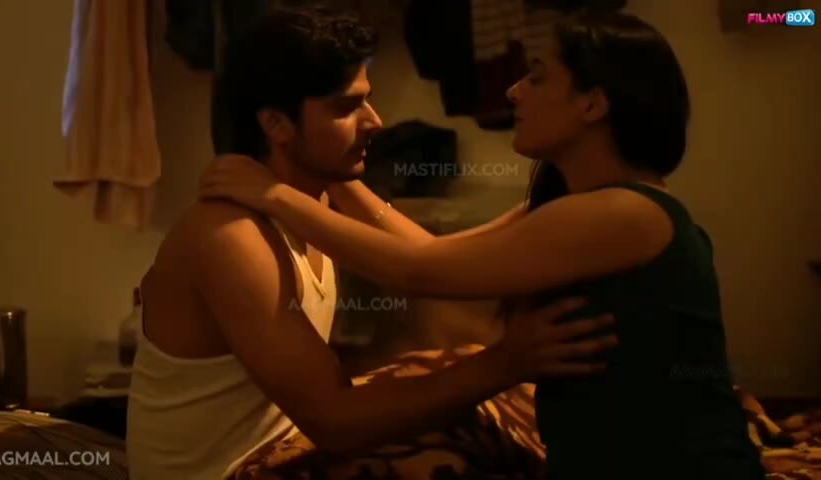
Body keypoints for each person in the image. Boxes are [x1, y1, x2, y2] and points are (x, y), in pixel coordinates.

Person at [199, 9, 767, 480]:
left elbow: (418, 271)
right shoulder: (575, 205)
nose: (514, 90)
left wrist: (275, 193)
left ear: (592, 104)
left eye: (537, 77)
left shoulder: (624, 214)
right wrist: (338, 175)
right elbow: (431, 253)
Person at [126, 6, 617, 480]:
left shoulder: (312, 199)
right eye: (347, 107)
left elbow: (430, 263)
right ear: (276, 124)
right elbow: (336, 420)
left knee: (475, 396)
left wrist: (505, 365)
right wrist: (508, 361)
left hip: (284, 443)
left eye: (367, 98)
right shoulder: (232, 235)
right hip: (224, 471)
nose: (376, 121)